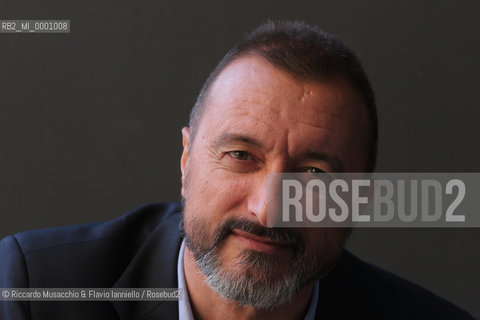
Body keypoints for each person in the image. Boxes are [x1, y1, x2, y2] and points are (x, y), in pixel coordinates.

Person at [0, 21, 473, 320]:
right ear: (187, 161)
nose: (268, 210)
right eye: (241, 156)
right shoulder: (34, 290)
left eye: (313, 175)